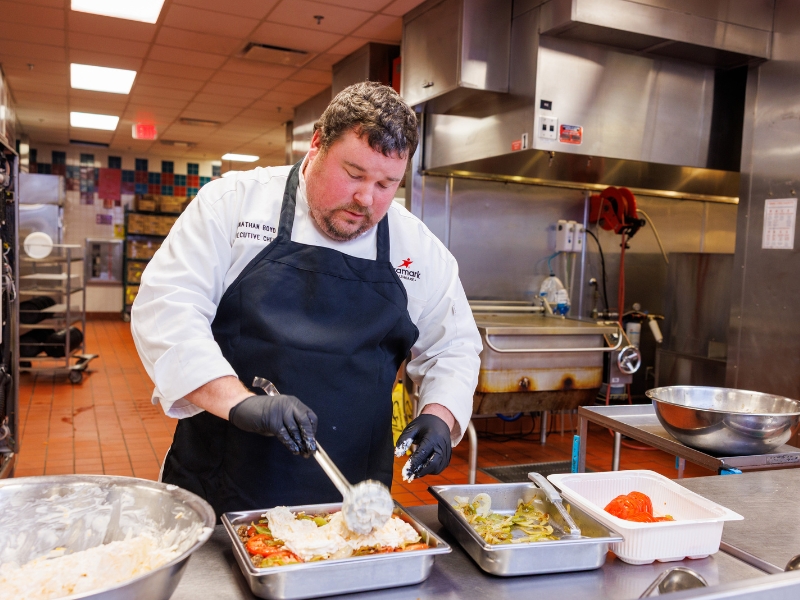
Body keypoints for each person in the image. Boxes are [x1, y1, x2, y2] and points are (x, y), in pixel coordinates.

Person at [131, 82, 481, 517]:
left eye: (387, 184)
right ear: (317, 144)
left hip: (351, 499)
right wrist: (238, 402)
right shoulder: (234, 205)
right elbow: (168, 307)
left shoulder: (418, 247)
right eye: (353, 174)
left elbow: (454, 346)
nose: (366, 199)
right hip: (221, 483)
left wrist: (440, 416)